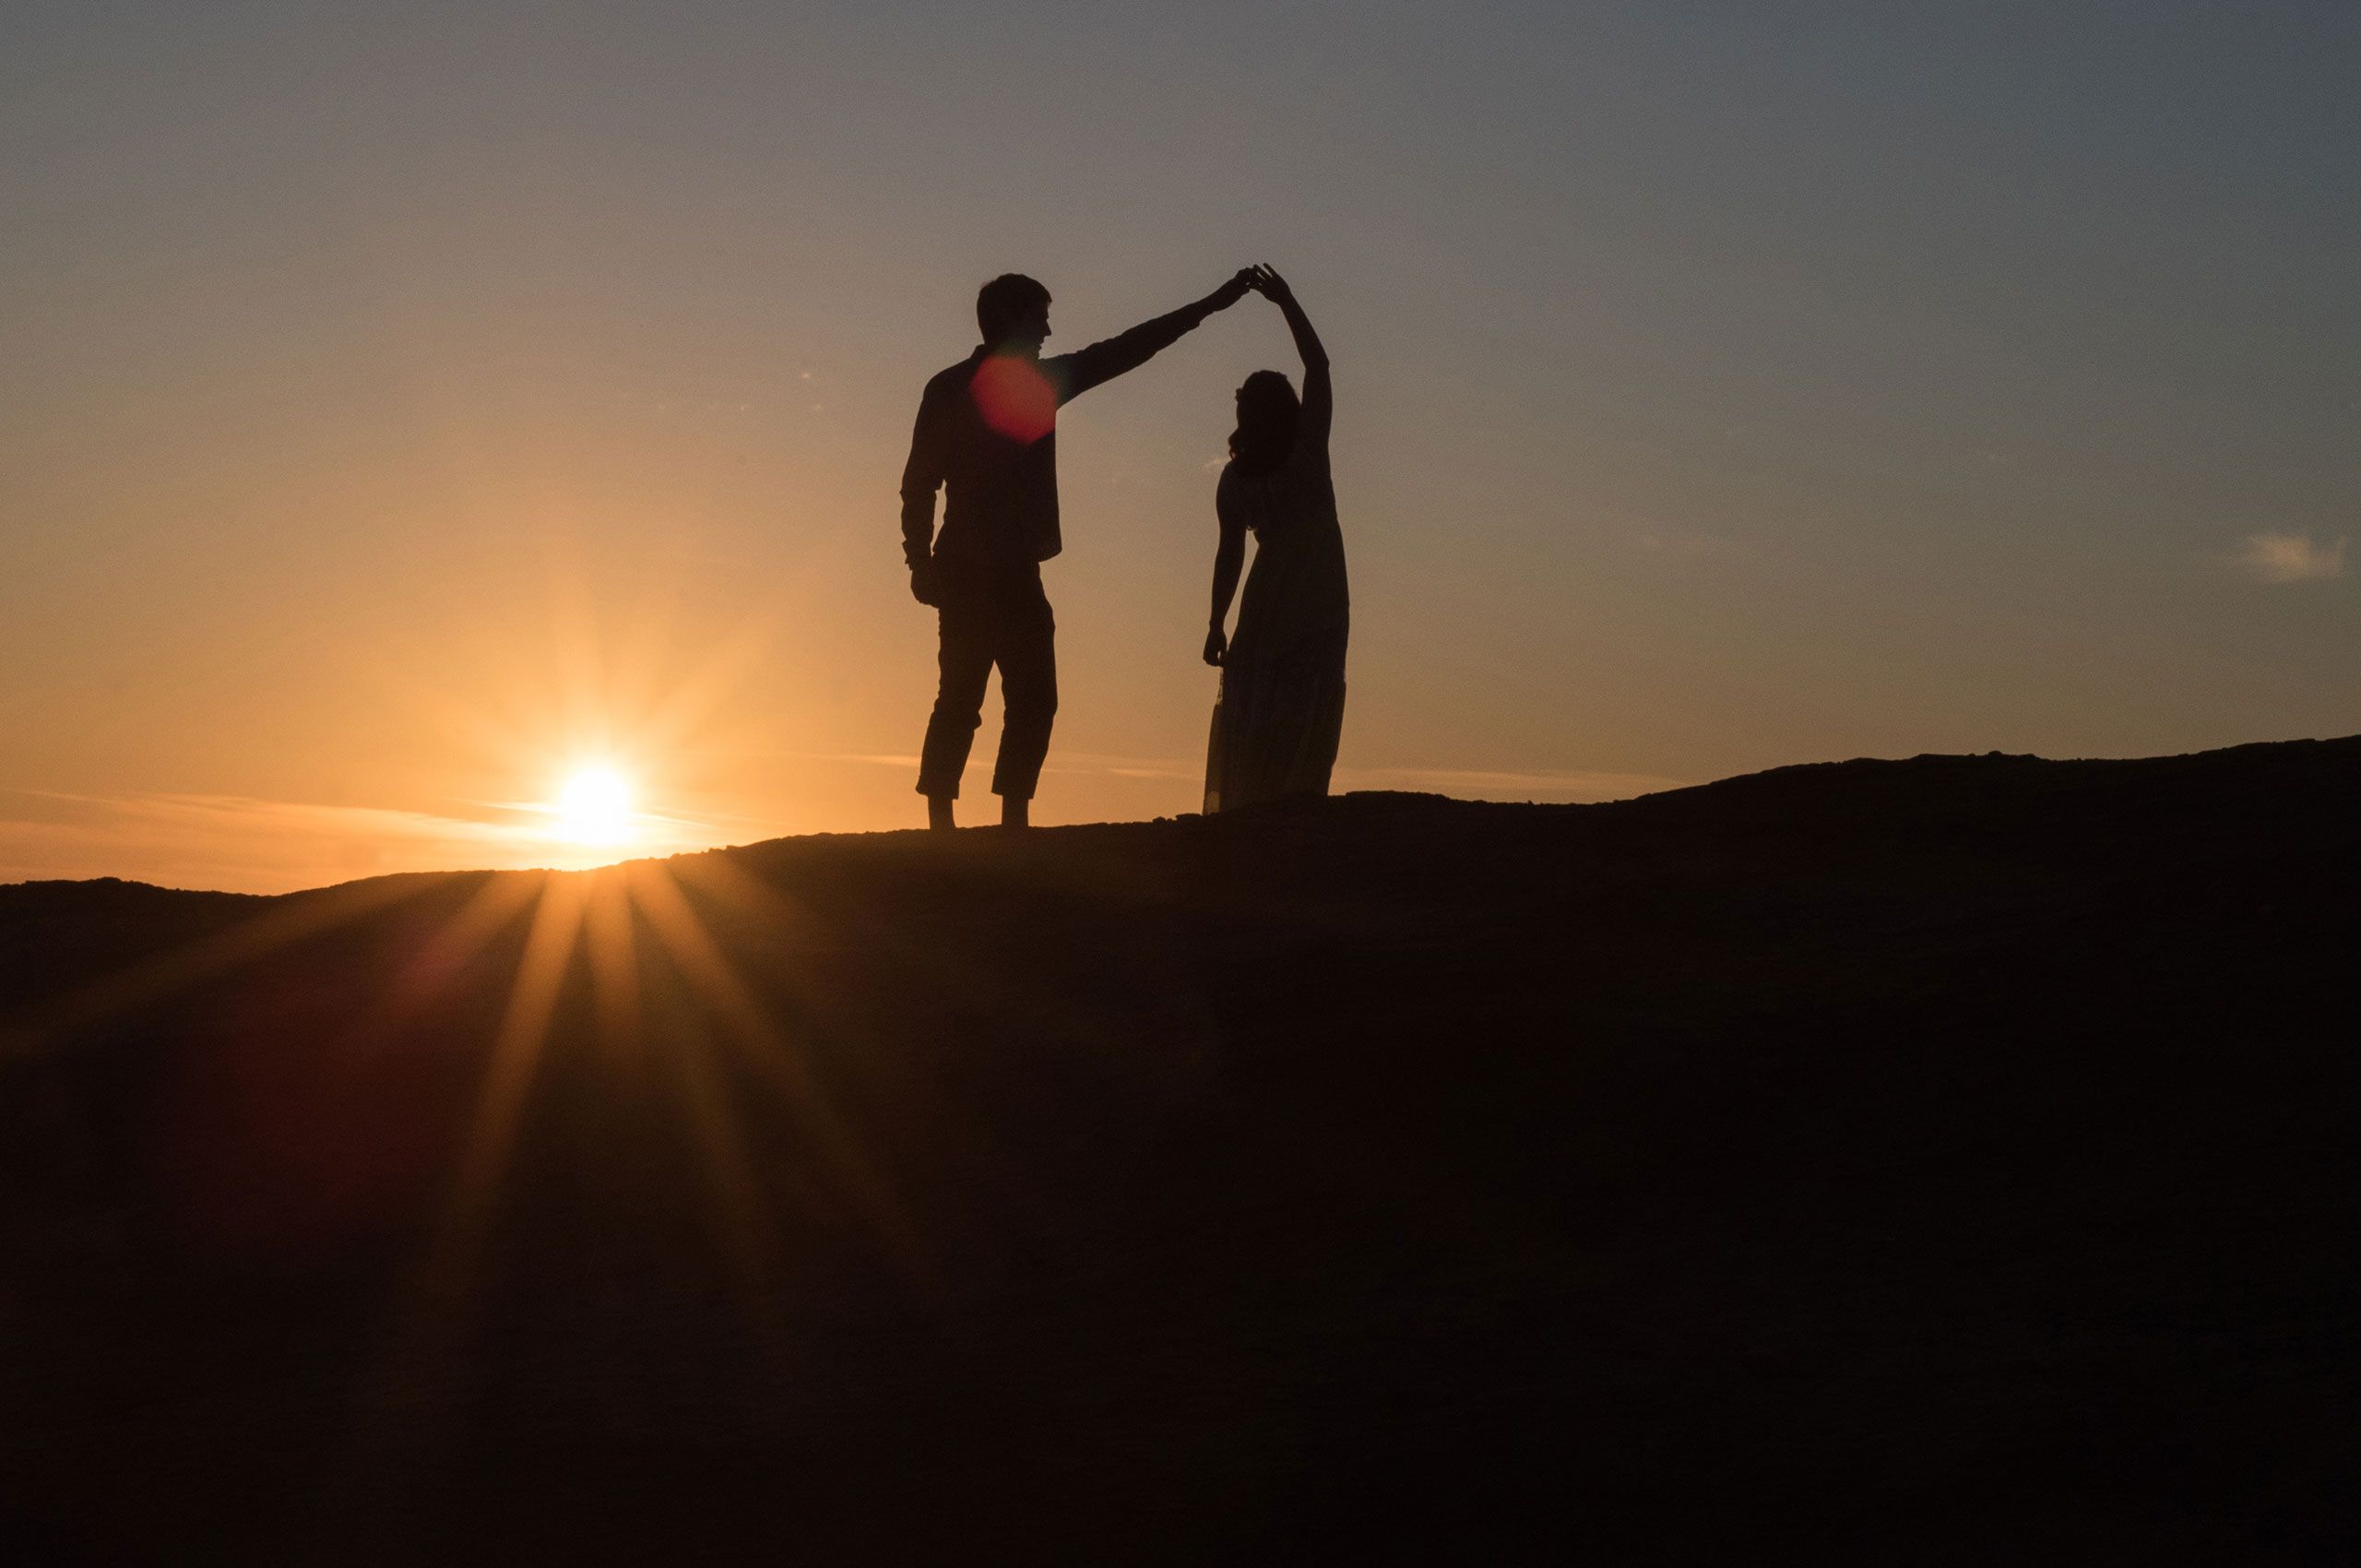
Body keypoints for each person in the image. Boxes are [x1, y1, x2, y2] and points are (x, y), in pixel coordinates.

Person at [902, 268, 1254, 829]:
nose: (1047, 328)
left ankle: (1012, 818)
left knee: (1034, 697)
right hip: (965, 567)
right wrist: (918, 561)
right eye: (1039, 316)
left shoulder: (1041, 382)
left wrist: (1211, 304)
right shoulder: (949, 389)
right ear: (1011, 319)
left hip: (1018, 569)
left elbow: (1130, 347)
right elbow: (920, 480)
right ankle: (941, 821)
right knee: (961, 698)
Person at [1202, 265, 1348, 813]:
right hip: (1318, 586)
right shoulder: (1308, 451)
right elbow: (1319, 364)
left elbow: (1230, 555)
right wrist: (1286, 300)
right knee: (1308, 689)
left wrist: (1217, 621)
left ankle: (1253, 796)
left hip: (1268, 591)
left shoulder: (1235, 478)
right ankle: (1296, 793)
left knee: (1261, 693)